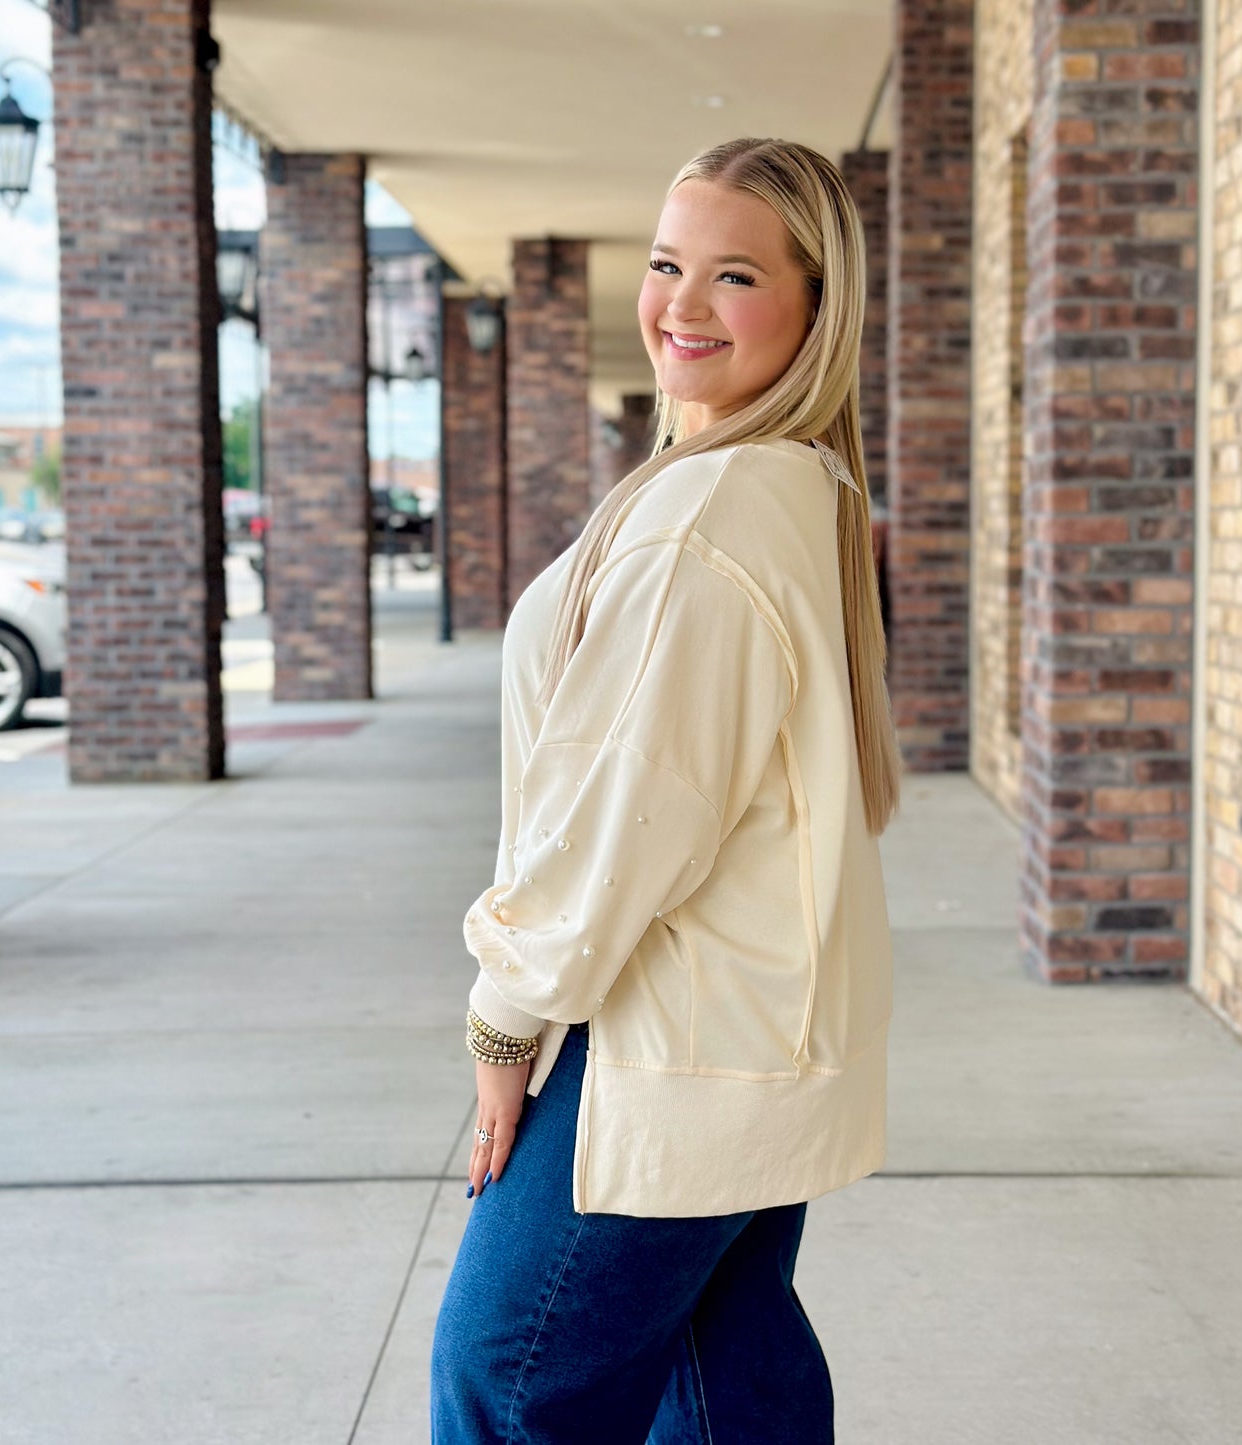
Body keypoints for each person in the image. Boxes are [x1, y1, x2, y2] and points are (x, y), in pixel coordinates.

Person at [430, 136, 901, 1445]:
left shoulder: (712, 519)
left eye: (734, 274)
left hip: (662, 1041)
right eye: (664, 262)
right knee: (721, 1394)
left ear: (814, 308)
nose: (681, 305)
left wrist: (502, 1027)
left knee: (504, 1390)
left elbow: (617, 824)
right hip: (727, 1035)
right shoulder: (778, 486)